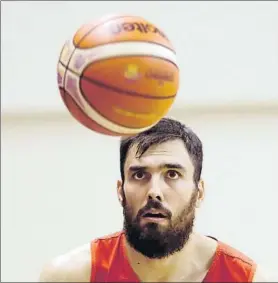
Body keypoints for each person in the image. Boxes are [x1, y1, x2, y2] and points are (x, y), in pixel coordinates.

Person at [39, 117, 273, 282]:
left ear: (199, 192)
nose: (154, 191)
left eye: (172, 174)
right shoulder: (71, 276)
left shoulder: (246, 279)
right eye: (139, 175)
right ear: (120, 191)